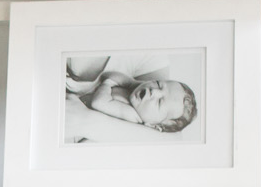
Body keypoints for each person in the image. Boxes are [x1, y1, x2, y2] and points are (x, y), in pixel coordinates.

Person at [65, 55, 198, 134]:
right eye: (158, 84)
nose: (154, 91)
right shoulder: (133, 94)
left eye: (159, 102)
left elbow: (98, 102)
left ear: (153, 125)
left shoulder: (130, 115)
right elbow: (112, 75)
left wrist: (107, 84)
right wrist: (131, 83)